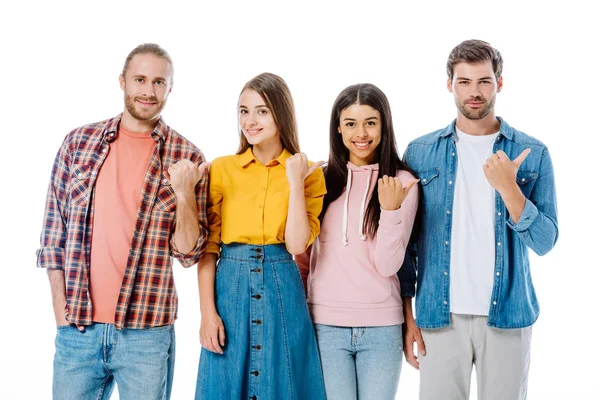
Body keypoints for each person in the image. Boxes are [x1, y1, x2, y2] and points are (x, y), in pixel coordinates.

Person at [36, 43, 209, 399]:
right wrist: (58, 304)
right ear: (122, 82)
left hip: (146, 331)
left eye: (159, 82)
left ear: (170, 89)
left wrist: (184, 192)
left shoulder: (187, 156)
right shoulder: (78, 143)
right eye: (140, 80)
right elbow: (54, 231)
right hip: (78, 327)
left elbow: (190, 253)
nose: (148, 91)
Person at [401, 39, 559, 400]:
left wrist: (509, 190)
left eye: (484, 81)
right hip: (440, 316)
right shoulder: (420, 152)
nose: (475, 92)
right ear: (449, 85)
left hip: (507, 314)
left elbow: (546, 241)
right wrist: (407, 318)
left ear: (499, 83)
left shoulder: (531, 153)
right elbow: (407, 248)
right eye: (465, 82)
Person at [194, 72, 327, 400]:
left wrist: (295, 181)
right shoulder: (223, 169)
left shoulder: (308, 172)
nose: (250, 121)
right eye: (243, 110)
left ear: (281, 113)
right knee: (224, 382)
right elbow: (208, 249)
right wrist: (207, 313)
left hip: (281, 285)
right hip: (230, 287)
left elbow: (296, 245)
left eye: (261, 111)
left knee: (283, 383)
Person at [296, 83, 419, 400]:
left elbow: (389, 264)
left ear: (384, 126)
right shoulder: (318, 179)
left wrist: (390, 211)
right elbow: (303, 258)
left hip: (382, 328)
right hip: (325, 324)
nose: (360, 133)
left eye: (370, 122)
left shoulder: (403, 183)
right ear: (338, 128)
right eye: (350, 123)